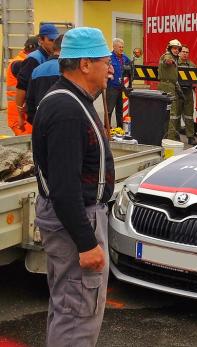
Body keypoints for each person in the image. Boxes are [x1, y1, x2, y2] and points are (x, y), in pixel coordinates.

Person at [32, 27, 115, 346]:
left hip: (74, 218)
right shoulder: (67, 110)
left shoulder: (70, 100)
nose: (110, 68)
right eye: (104, 61)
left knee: (69, 305)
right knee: (78, 313)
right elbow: (65, 189)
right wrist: (86, 243)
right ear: (84, 65)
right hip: (76, 222)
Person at [15, 24, 59, 133]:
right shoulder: (33, 59)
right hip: (32, 113)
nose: (54, 43)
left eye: (55, 40)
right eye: (51, 40)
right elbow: (21, 86)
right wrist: (20, 117)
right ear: (40, 40)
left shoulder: (52, 57)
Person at [25, 34, 63, 125]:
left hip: (40, 124)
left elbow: (30, 102)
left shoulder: (37, 70)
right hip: (62, 124)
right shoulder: (70, 70)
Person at [5, 36, 38, 135]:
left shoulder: (22, 60)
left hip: (19, 114)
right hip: (20, 116)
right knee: (29, 144)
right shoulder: (20, 63)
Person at [157, 39, 183, 140]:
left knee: (169, 111)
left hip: (170, 85)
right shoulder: (167, 56)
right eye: (174, 48)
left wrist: (179, 90)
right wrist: (170, 60)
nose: (176, 50)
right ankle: (171, 137)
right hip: (167, 86)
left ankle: (167, 135)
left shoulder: (174, 58)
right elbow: (167, 60)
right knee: (171, 112)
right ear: (170, 48)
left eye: (178, 49)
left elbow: (173, 77)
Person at [106, 38, 131, 128]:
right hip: (112, 87)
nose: (121, 49)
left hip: (122, 88)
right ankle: (107, 128)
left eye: (122, 47)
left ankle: (120, 128)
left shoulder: (125, 58)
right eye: (120, 47)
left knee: (120, 110)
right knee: (109, 109)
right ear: (114, 47)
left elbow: (131, 67)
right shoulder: (109, 57)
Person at [177, 45, 197, 145]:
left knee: (189, 115)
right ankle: (175, 136)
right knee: (175, 115)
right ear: (179, 53)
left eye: (187, 52)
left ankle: (190, 137)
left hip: (188, 92)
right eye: (183, 52)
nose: (185, 54)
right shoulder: (175, 64)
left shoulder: (192, 65)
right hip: (177, 91)